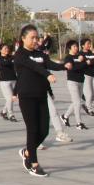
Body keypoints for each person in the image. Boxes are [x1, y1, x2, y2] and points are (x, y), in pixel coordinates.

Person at [14, 24, 62, 177]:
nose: (35, 40)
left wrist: (66, 66)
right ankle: (33, 164)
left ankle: (27, 151)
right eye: (32, 38)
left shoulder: (40, 53)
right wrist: (48, 74)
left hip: (41, 95)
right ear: (23, 38)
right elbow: (34, 67)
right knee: (32, 129)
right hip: (27, 96)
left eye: (37, 37)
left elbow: (49, 63)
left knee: (44, 130)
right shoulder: (20, 54)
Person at [61, 40, 88, 130]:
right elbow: (73, 68)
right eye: (74, 46)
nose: (76, 48)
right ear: (69, 48)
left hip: (81, 81)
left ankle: (65, 116)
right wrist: (83, 63)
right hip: (72, 82)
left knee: (76, 102)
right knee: (77, 102)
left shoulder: (80, 56)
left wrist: (83, 61)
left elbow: (86, 65)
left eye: (77, 46)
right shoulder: (68, 58)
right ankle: (79, 123)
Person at [0, 43, 19, 121]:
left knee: (11, 98)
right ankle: (11, 114)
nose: (7, 50)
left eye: (7, 48)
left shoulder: (11, 57)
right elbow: (5, 63)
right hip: (4, 81)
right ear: (0, 50)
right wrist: (13, 58)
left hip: (14, 79)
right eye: (5, 48)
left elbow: (16, 62)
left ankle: (3, 111)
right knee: (9, 98)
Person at [80, 39, 94, 116]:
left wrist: (91, 61)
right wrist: (92, 60)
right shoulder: (80, 54)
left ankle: (84, 101)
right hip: (86, 75)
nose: (89, 45)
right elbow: (83, 63)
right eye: (88, 44)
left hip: (93, 75)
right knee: (89, 94)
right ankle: (89, 109)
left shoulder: (90, 53)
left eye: (90, 44)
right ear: (83, 45)